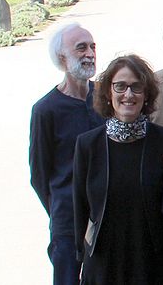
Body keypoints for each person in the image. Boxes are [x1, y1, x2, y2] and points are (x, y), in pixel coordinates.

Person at [73, 55, 163, 284]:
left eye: (136, 87)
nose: (128, 94)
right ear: (108, 93)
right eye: (120, 86)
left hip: (154, 264)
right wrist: (81, 258)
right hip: (104, 263)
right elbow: (80, 208)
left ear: (146, 95)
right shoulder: (87, 145)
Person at [30, 22, 104, 285]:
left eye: (93, 47)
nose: (90, 53)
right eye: (81, 48)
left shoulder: (106, 98)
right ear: (62, 57)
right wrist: (63, 211)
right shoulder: (45, 110)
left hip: (107, 216)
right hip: (67, 222)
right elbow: (39, 175)